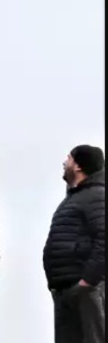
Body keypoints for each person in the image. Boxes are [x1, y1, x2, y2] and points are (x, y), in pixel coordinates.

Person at [43, 144, 105, 343]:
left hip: (85, 290)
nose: (64, 162)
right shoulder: (75, 198)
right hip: (66, 289)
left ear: (78, 166)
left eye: (68, 158)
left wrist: (88, 281)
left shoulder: (96, 196)